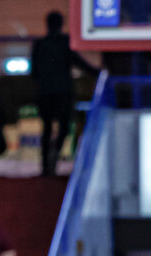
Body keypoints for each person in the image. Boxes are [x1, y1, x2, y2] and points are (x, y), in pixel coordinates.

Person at [32, 12, 100, 176]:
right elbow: (79, 62)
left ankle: (46, 165)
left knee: (47, 128)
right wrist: (98, 73)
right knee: (63, 127)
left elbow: (33, 72)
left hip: (45, 93)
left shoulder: (39, 44)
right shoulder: (64, 42)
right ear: (61, 24)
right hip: (62, 92)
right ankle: (53, 157)